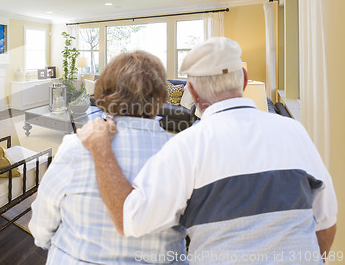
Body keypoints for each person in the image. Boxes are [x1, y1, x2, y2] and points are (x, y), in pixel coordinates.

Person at [78, 37, 338, 264]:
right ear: (244, 80)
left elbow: (130, 220)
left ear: (191, 89)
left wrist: (101, 148)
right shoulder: (295, 131)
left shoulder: (185, 146)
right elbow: (326, 225)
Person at [29, 51, 188, 264]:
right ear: (160, 95)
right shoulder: (184, 155)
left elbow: (42, 223)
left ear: (105, 90)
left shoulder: (75, 146)